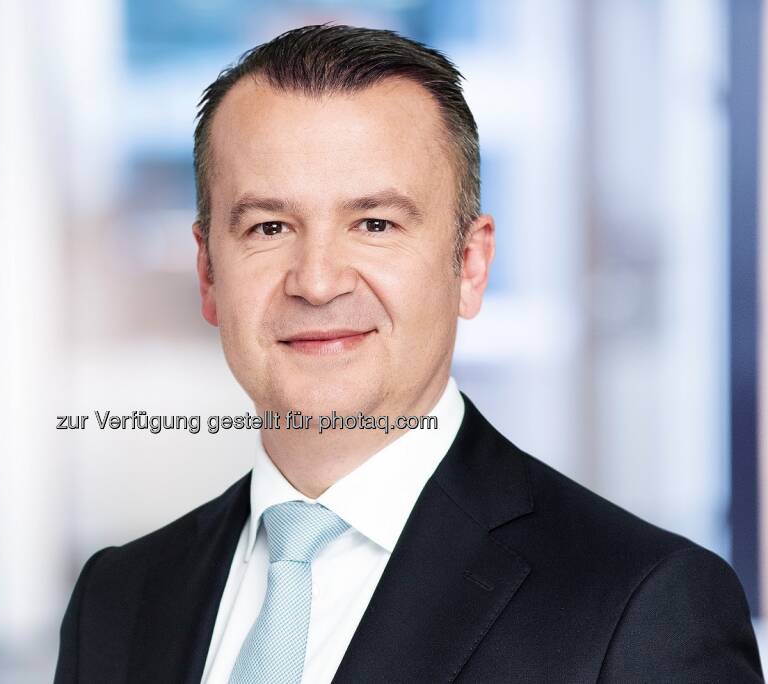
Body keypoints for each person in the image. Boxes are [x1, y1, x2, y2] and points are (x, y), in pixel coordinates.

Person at [54, 24, 763, 683]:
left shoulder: (646, 610)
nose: (317, 282)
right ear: (209, 272)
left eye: (374, 223)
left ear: (469, 265)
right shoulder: (117, 600)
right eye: (270, 227)